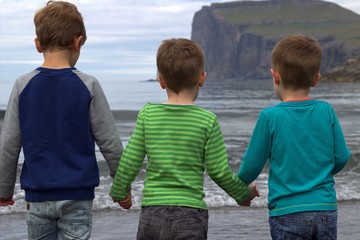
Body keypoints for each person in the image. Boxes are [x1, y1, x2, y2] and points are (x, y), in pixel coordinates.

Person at [110, 38, 259, 239]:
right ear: (202, 78)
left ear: (160, 81)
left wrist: (120, 191)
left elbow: (131, 160)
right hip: (190, 214)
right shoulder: (207, 120)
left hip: (152, 213)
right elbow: (219, 171)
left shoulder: (148, 115)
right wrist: (243, 194)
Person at [0, 1, 123, 239]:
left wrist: (4, 189)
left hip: (37, 197)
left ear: (38, 45)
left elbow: (9, 145)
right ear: (78, 42)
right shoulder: (88, 84)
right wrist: (121, 185)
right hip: (78, 195)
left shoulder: (22, 84)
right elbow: (109, 141)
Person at [237, 34, 351, 239]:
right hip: (325, 209)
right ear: (316, 78)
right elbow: (342, 156)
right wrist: (320, 173)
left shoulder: (270, 116)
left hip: (287, 212)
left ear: (275, 76)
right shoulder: (326, 110)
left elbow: (251, 166)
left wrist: (239, 191)